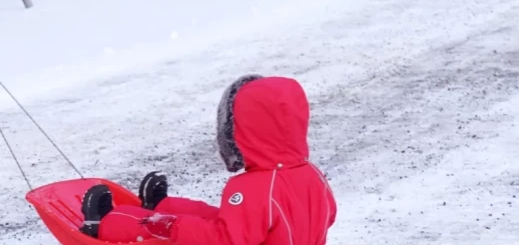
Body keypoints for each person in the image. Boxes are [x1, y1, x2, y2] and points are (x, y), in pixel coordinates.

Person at [79, 75, 336, 244]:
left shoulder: (255, 187)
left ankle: (106, 224)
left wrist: (171, 226)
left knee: (168, 231)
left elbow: (223, 241)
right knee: (219, 218)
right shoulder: (311, 173)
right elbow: (328, 214)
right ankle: (161, 204)